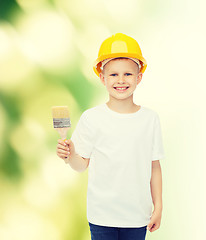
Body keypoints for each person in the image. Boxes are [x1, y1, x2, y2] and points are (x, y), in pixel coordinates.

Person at [56, 33, 165, 240]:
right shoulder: (91, 118)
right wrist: (69, 155)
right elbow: (81, 165)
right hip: (101, 216)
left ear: (139, 77)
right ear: (102, 78)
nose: (121, 80)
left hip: (137, 216)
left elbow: (154, 166)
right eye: (113, 75)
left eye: (128, 74)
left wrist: (158, 206)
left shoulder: (150, 119)